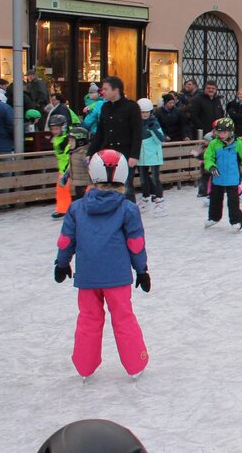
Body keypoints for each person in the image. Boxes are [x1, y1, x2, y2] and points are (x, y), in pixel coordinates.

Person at [53, 148, 149, 380]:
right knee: (123, 317)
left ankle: (84, 366)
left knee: (88, 319)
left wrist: (62, 263)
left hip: (87, 278)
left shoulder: (77, 208)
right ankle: (136, 363)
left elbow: (67, 240)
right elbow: (135, 243)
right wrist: (141, 269)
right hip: (117, 277)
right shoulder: (128, 208)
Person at [86, 76, 143, 203]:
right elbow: (100, 133)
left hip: (125, 154)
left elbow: (137, 133)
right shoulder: (105, 107)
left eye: (105, 89)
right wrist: (90, 153)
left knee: (125, 187)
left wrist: (134, 155)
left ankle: (129, 213)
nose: (103, 92)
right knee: (106, 186)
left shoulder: (132, 107)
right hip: (106, 154)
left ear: (115, 90)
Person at [203, 117, 242, 230]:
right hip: (218, 177)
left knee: (233, 202)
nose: (221, 135)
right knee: (215, 199)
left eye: (224, 132)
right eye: (219, 132)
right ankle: (214, 217)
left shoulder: (239, 144)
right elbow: (208, 157)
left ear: (230, 132)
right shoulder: (214, 144)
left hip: (232, 178)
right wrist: (211, 166)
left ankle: (237, 220)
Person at [136, 98, 167, 214]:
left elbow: (160, 139)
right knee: (143, 179)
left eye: (146, 112)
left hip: (153, 155)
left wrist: (153, 128)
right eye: (142, 112)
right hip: (141, 156)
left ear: (150, 112)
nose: (144, 115)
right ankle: (145, 197)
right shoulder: (136, 123)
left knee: (155, 178)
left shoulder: (154, 122)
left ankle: (159, 200)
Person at [48, 114, 75, 220]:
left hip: (70, 167)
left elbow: (71, 154)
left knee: (84, 187)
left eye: (56, 129)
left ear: (63, 128)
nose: (54, 131)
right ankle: (63, 209)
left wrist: (68, 168)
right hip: (63, 168)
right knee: (61, 188)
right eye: (53, 129)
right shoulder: (56, 139)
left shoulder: (67, 139)